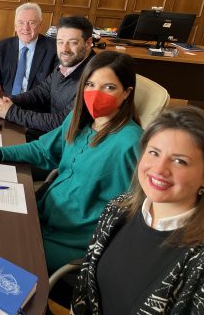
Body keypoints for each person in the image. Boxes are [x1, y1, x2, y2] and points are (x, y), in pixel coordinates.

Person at [0, 51, 143, 273]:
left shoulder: (131, 142)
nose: (95, 93)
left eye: (108, 87)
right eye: (90, 85)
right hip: (44, 213)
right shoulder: (79, 119)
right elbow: (43, 150)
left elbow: (134, 211)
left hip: (71, 238)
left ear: (127, 93)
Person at [72, 106, 204, 314]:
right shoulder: (116, 209)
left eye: (180, 161)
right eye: (154, 153)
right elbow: (84, 289)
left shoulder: (199, 261)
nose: (159, 169)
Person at [0, 15, 95, 140]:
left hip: (62, 143)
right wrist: (9, 101)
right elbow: (40, 92)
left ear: (88, 43)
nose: (64, 49)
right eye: (60, 42)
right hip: (48, 135)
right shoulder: (69, 63)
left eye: (73, 43)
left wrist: (11, 112)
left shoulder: (94, 79)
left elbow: (61, 122)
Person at [0, 2, 57, 95]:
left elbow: (53, 85)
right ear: (15, 26)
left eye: (32, 23)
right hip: (5, 98)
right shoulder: (4, 46)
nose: (26, 28)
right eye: (21, 22)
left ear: (40, 26)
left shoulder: (53, 49)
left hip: (34, 100)